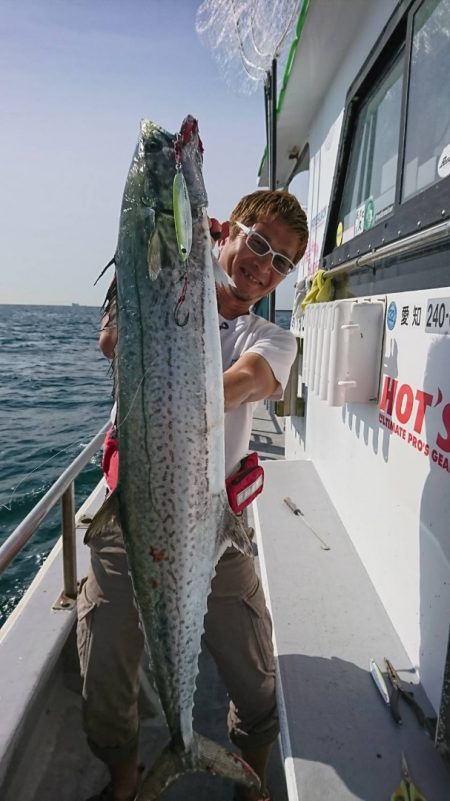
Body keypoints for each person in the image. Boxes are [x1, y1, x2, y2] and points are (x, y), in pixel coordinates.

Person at [78, 189, 308, 801]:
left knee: (258, 685)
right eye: (257, 243)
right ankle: (126, 785)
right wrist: (141, 264)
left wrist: (175, 354)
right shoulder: (165, 297)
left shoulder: (272, 339)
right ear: (226, 233)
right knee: (104, 674)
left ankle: (248, 785)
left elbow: (244, 384)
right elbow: (109, 343)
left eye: (282, 262)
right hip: (127, 516)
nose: (264, 265)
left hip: (214, 528)